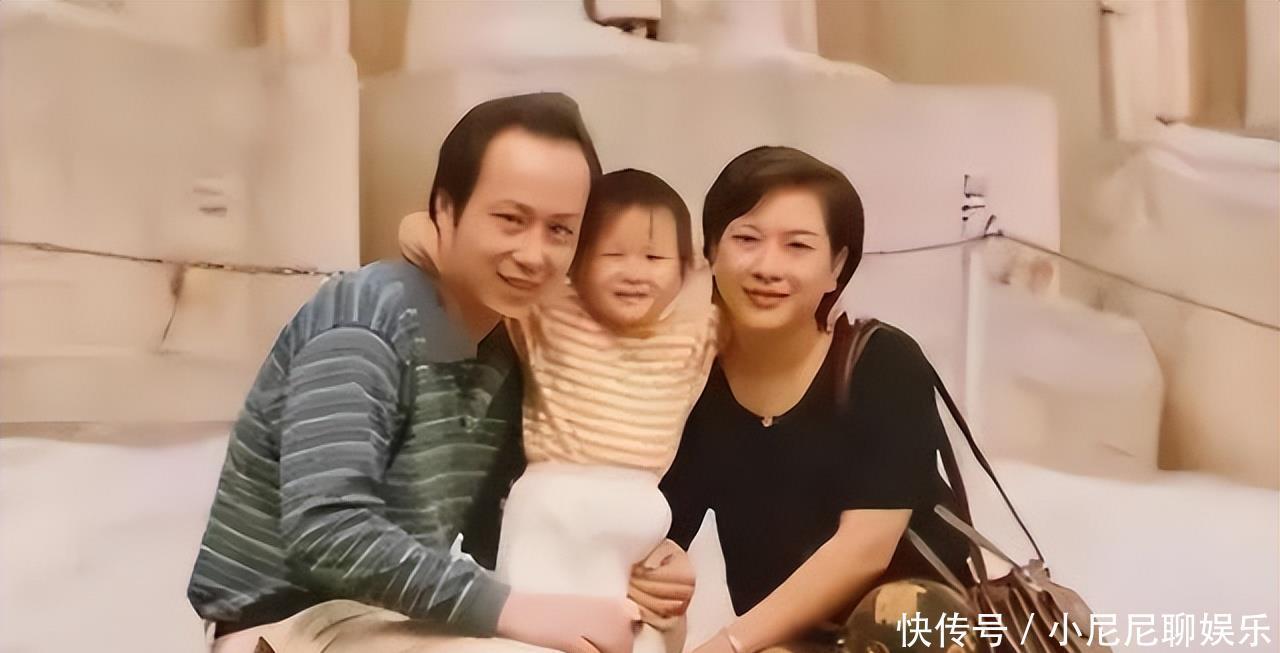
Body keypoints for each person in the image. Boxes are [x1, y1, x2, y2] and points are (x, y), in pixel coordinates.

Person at [187, 93, 693, 653]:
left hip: (390, 619)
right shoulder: (366, 315)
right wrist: (512, 611)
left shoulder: (504, 348)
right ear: (445, 211)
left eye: (560, 230)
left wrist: (642, 560)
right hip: (285, 624)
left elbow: (500, 533)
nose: (534, 254)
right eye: (510, 219)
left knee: (644, 635)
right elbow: (328, 531)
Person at [660, 146, 973, 653]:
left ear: (836, 266)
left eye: (798, 246)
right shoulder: (695, 382)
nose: (768, 266)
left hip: (913, 638)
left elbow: (865, 548)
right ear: (712, 250)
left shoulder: (882, 362)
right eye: (747, 239)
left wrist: (729, 645)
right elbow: (663, 527)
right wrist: (660, 571)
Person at [399, 168, 718, 653]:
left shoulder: (696, 330)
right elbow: (415, 233)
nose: (634, 272)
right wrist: (539, 242)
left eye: (654, 257)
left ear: (683, 268)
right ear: (577, 261)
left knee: (635, 638)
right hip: (554, 505)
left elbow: (727, 283)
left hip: (640, 515)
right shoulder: (548, 308)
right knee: (535, 640)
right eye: (612, 255)